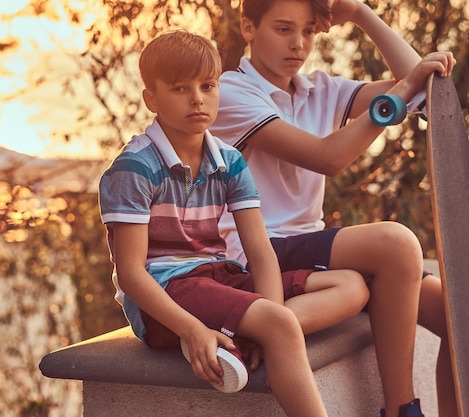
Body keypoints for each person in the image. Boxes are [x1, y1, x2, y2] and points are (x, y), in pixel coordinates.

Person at [98, 29, 369, 417]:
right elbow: (131, 274)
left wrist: (273, 326)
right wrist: (192, 330)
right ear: (151, 99)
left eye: (208, 86)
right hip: (166, 296)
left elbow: (260, 252)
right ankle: (265, 341)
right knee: (279, 322)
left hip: (218, 276)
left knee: (350, 285)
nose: (197, 98)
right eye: (179, 89)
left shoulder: (228, 160)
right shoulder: (135, 167)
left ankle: (255, 340)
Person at [210, 1, 458, 417]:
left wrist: (362, 14)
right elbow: (328, 157)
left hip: (307, 248)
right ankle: (401, 409)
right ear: (248, 27)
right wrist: (393, 99)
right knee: (396, 244)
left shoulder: (320, 90)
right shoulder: (232, 92)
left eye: (308, 31)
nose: (298, 44)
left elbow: (423, 87)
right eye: (284, 29)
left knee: (457, 315)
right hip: (256, 254)